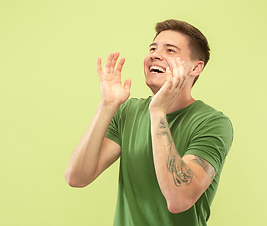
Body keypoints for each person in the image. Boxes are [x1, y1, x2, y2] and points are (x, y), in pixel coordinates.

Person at [65, 19, 233, 226]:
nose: (155, 54)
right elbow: (77, 177)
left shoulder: (212, 123)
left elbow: (179, 199)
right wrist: (107, 105)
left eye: (170, 50)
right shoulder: (128, 111)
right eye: (153, 48)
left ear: (196, 68)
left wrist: (158, 111)